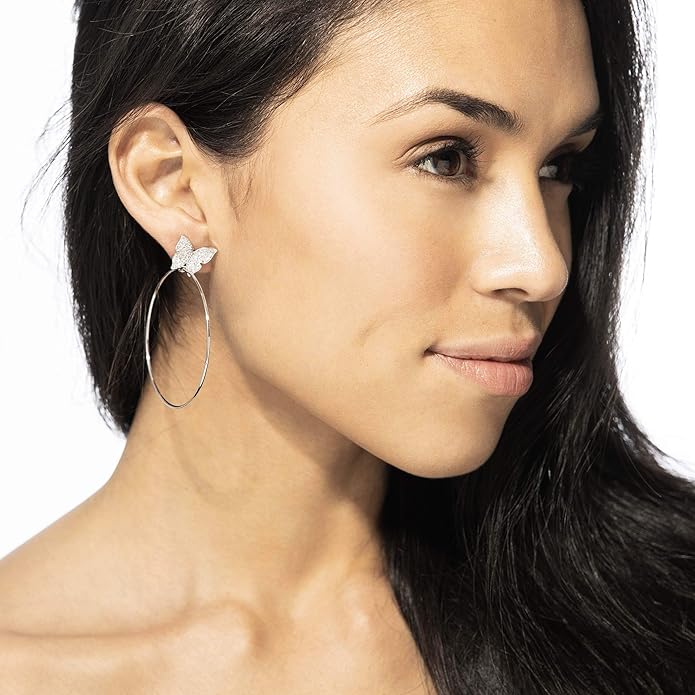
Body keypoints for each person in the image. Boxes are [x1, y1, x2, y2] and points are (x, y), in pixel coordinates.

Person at [2, 0, 693, 692]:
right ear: (173, 183)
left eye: (557, 168)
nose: (542, 266)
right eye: (445, 159)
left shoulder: (657, 615)